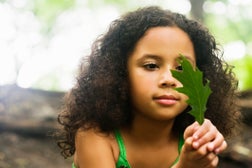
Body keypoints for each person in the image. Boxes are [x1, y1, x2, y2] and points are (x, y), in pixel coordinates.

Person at [57, 6, 240, 168]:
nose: (169, 79)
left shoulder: (191, 142)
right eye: (151, 65)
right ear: (119, 72)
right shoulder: (94, 136)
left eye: (182, 68)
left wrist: (202, 151)